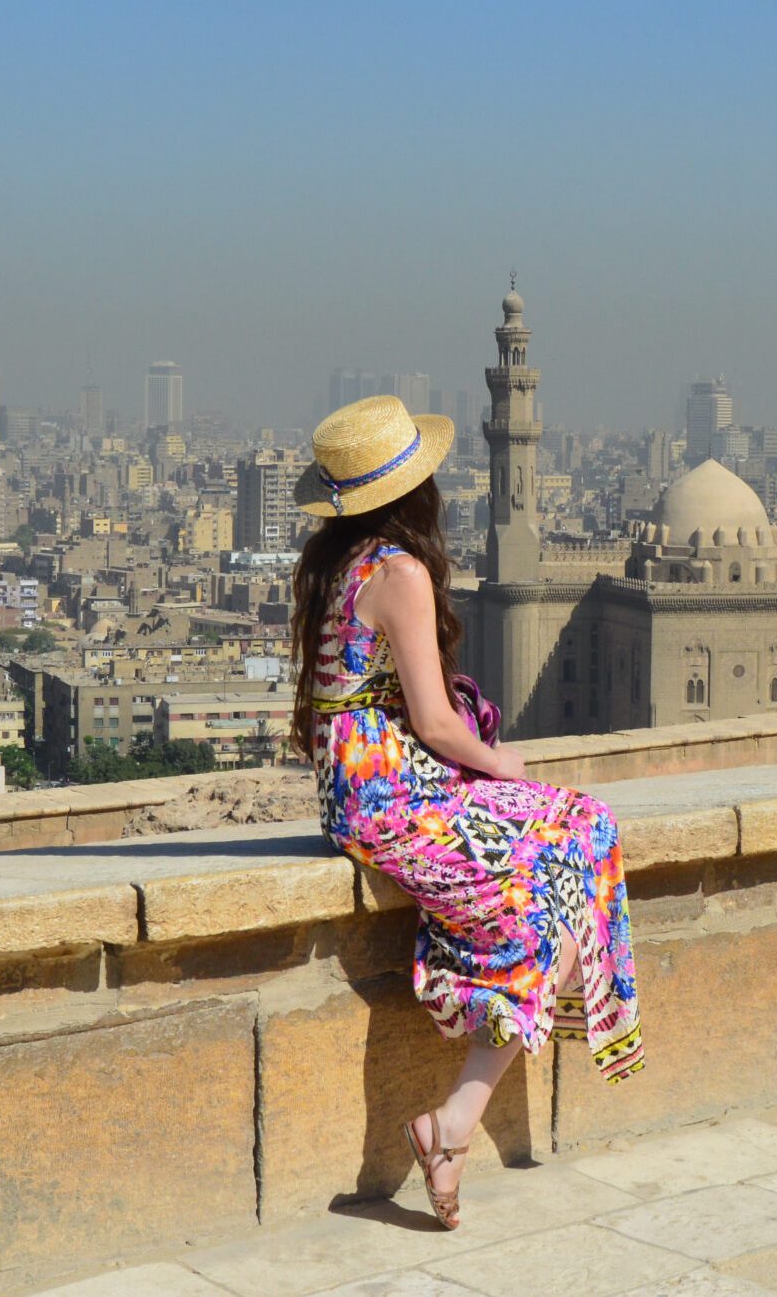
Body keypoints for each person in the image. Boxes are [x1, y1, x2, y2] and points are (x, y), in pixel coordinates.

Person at [290, 395, 643, 1230]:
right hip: (396, 796)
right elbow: (435, 720)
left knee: (583, 829)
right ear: (414, 490)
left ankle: (451, 1128)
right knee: (557, 901)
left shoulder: (340, 566)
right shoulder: (401, 573)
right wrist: (500, 762)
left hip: (360, 789)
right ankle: (454, 1119)